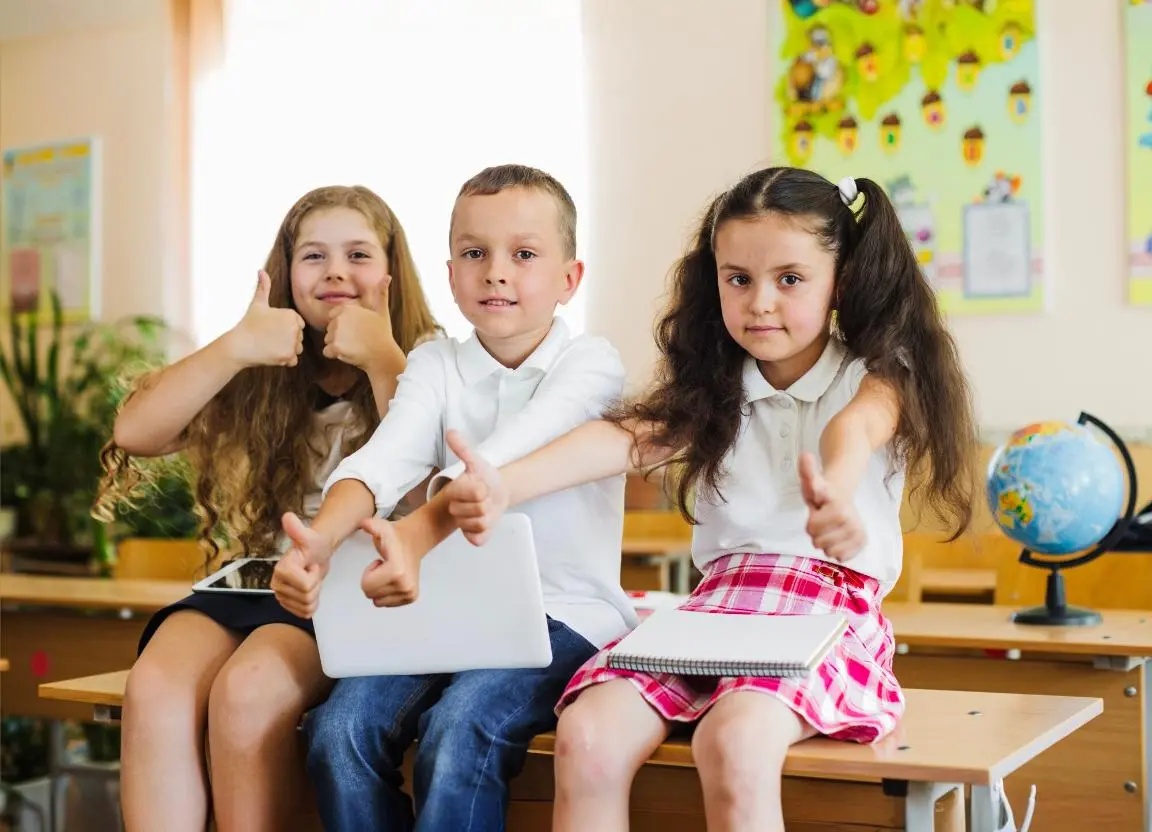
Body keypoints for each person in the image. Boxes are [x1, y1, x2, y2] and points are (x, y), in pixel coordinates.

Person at [378, 166, 979, 832]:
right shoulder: (716, 384)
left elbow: (857, 428)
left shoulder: (879, 372)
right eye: (738, 279)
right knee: (588, 735)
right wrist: (499, 483)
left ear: (843, 281)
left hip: (826, 611)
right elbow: (624, 441)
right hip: (715, 605)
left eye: (790, 279)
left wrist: (835, 489)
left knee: (734, 740)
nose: (760, 304)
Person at [270, 164, 638, 831]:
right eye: (475, 254)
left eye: (523, 255)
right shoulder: (435, 365)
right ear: (450, 273)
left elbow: (511, 454)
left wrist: (428, 520)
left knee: (460, 729)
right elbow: (381, 460)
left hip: (569, 619)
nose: (496, 272)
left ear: (569, 279)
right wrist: (320, 540)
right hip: (447, 618)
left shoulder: (593, 363)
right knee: (338, 730)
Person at [93, 185, 441, 832]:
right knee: (154, 688)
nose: (336, 271)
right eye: (314, 256)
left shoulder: (430, 361)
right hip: (259, 582)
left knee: (246, 690)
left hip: (350, 592)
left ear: (392, 272)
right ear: (285, 275)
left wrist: (383, 360)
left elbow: (433, 493)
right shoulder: (264, 365)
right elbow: (136, 432)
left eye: (358, 254)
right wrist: (234, 346)